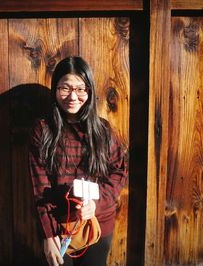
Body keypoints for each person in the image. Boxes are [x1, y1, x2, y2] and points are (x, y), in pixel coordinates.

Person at [28, 56, 128, 266]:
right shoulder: (43, 130)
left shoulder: (102, 130)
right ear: (55, 90)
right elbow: (40, 188)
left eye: (81, 89)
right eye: (65, 88)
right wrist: (48, 234)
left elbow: (119, 170)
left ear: (89, 92)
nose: (73, 96)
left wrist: (97, 204)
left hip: (98, 224)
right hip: (59, 226)